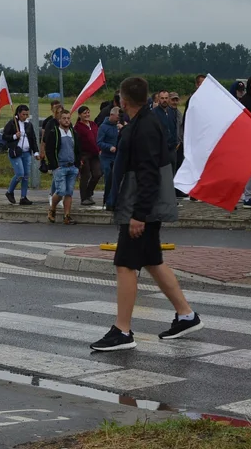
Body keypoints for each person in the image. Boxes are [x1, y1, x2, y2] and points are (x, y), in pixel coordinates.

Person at [90, 76, 202, 352]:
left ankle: (122, 331)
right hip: (142, 204)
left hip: (140, 207)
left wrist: (138, 214)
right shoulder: (144, 122)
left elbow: (149, 173)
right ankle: (186, 315)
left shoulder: (145, 127)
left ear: (122, 100)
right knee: (152, 259)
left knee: (126, 264)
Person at [45, 109, 81, 224]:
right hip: (60, 167)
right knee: (61, 191)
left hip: (72, 167)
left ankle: (67, 216)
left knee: (69, 192)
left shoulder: (73, 132)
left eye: (68, 118)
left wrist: (77, 164)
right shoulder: (54, 132)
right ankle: (52, 209)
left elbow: (78, 149)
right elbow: (49, 150)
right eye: (64, 118)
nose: (66, 120)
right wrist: (54, 165)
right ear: (59, 120)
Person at [2, 104, 39, 206]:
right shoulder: (12, 123)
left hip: (27, 152)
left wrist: (36, 151)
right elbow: (4, 136)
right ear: (18, 113)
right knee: (20, 174)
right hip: (16, 152)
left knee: (26, 176)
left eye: (27, 114)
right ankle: (10, 191)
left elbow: (33, 139)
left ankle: (23, 197)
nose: (25, 116)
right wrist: (14, 136)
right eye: (23, 114)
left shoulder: (29, 125)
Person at [75, 106, 103, 206]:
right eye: (84, 113)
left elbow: (98, 137)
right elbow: (77, 143)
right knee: (85, 176)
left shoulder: (93, 124)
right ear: (80, 115)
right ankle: (84, 198)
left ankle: (89, 192)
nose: (87, 115)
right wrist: (79, 158)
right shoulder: (78, 127)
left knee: (97, 174)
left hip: (95, 154)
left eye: (88, 112)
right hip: (84, 154)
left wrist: (99, 149)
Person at [97, 107, 121, 203]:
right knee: (108, 177)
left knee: (116, 178)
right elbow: (99, 142)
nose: (119, 118)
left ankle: (115, 199)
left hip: (117, 156)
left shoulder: (118, 126)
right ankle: (107, 199)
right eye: (117, 116)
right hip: (106, 157)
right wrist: (109, 147)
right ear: (112, 115)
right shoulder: (103, 127)